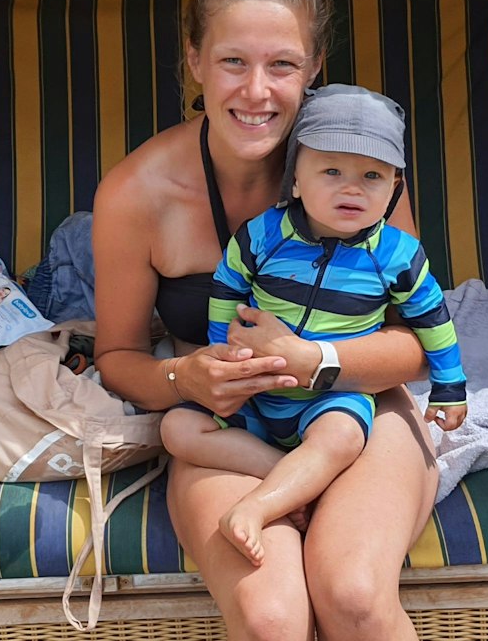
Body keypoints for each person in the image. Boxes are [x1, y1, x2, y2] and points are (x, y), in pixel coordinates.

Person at [93, 0, 441, 641]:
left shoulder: (364, 166)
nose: (258, 91)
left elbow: (419, 341)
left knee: (355, 593)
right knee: (270, 613)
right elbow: (117, 356)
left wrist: (316, 357)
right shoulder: (137, 193)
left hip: (359, 407)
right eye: (234, 62)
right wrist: (186, 382)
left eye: (282, 65)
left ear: (314, 67)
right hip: (230, 429)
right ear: (193, 61)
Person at [159, 84, 467, 565]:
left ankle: (258, 507)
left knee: (343, 436)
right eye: (331, 171)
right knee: (177, 428)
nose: (352, 187)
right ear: (296, 179)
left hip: (329, 396)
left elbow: (434, 322)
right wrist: (224, 357)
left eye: (372, 175)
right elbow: (227, 289)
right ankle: (288, 474)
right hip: (256, 395)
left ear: (394, 189)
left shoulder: (398, 254)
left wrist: (451, 386)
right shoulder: (264, 234)